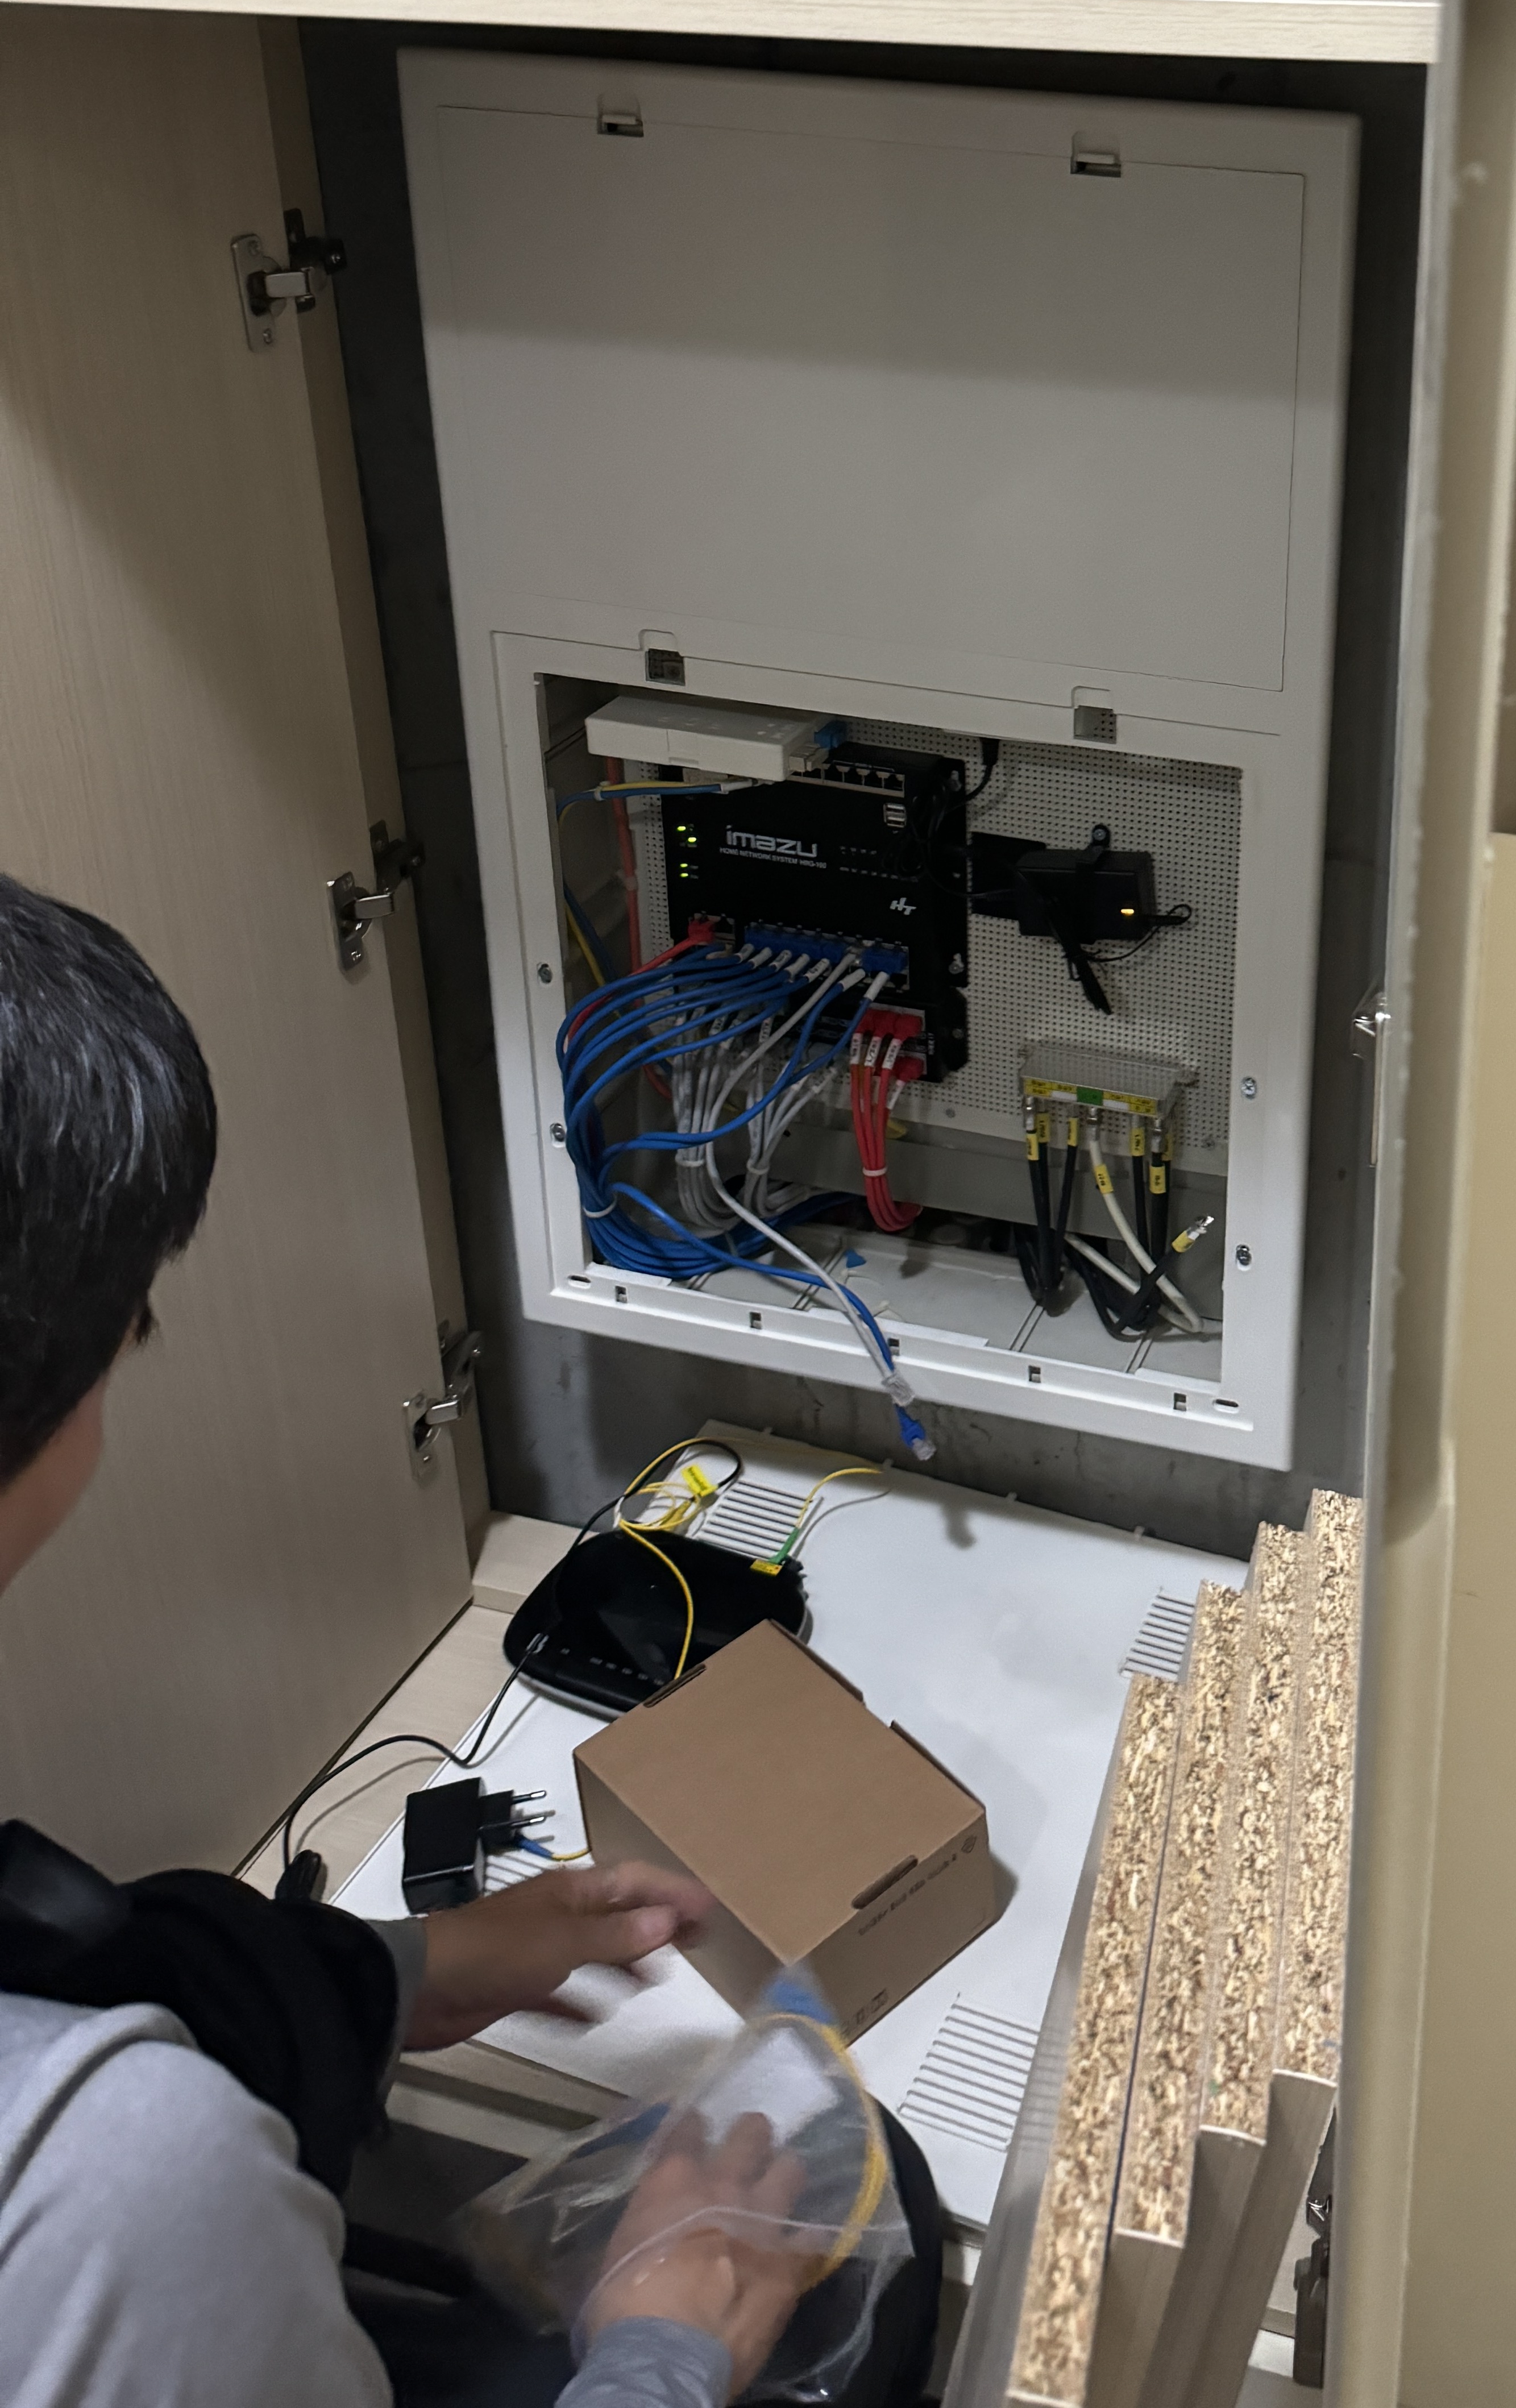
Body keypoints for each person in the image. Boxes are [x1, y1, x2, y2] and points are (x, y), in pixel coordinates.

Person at [0, 871, 929, 2408]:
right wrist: (664, 2348)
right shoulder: (115, 2188)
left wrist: (385, 1975)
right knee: (875, 2244)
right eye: (133, 1316)